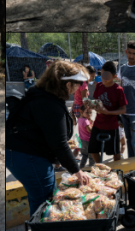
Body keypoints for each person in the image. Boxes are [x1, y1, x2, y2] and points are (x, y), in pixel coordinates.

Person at [6, 61, 93, 216]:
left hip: (20, 154)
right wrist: (77, 171)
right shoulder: (49, 104)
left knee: (39, 200)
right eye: (79, 83)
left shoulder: (43, 95)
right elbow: (59, 144)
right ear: (68, 85)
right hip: (28, 157)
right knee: (45, 203)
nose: (80, 87)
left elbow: (48, 134)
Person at [89, 61, 127, 163]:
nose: (103, 78)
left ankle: (115, 170)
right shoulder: (99, 86)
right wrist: (92, 105)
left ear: (114, 76)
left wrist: (107, 112)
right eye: (102, 74)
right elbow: (96, 101)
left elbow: (123, 109)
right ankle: (100, 167)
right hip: (97, 124)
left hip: (111, 126)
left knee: (115, 152)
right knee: (93, 150)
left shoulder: (118, 90)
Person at [77, 103, 94, 168]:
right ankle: (91, 168)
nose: (89, 114)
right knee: (92, 156)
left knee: (84, 155)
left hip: (81, 140)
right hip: (88, 141)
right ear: (81, 112)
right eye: (87, 112)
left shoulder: (80, 119)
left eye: (90, 112)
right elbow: (90, 130)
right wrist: (92, 124)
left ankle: (81, 167)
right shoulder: (86, 121)